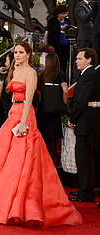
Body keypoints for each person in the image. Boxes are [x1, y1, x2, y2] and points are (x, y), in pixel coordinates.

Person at [0, 41, 82, 227]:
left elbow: (29, 100)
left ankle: (19, 204)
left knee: (21, 158)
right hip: (13, 115)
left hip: (24, 117)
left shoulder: (30, 73)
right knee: (0, 157)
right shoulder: (16, 71)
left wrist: (23, 123)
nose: (17, 55)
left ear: (28, 54)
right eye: (16, 52)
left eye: (21, 52)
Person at [68, 48, 100, 203]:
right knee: (83, 158)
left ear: (89, 60)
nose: (76, 61)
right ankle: (84, 190)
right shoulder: (87, 75)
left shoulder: (90, 75)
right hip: (86, 121)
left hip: (86, 122)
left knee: (85, 158)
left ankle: (86, 193)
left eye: (79, 58)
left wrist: (72, 119)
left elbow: (81, 100)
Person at [36, 52, 68, 163]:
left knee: (42, 143)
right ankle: (51, 168)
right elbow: (65, 90)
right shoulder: (59, 74)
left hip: (42, 112)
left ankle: (41, 166)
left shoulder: (42, 75)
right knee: (53, 145)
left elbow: (38, 92)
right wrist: (63, 103)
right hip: (54, 113)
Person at [47, 5, 71, 72]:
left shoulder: (67, 20)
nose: (64, 15)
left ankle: (63, 74)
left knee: (64, 61)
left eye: (65, 13)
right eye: (62, 14)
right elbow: (51, 30)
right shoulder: (52, 20)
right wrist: (61, 28)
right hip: (57, 43)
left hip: (66, 43)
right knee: (57, 60)